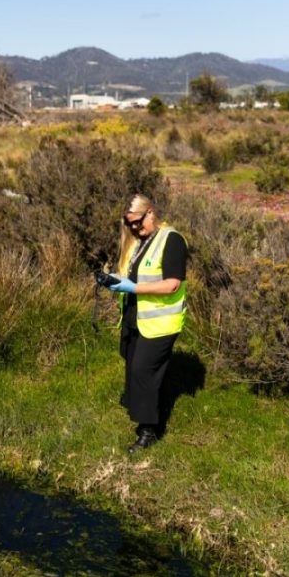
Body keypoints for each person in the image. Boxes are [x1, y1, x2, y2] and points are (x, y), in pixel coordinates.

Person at [104, 194, 187, 453]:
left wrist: (135, 287)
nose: (134, 229)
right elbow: (133, 274)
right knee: (132, 365)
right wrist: (114, 281)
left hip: (160, 322)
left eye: (138, 223)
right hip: (134, 318)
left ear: (150, 212)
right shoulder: (140, 241)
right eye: (129, 225)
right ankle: (140, 408)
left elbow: (172, 283)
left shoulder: (171, 240)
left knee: (143, 371)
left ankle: (148, 431)